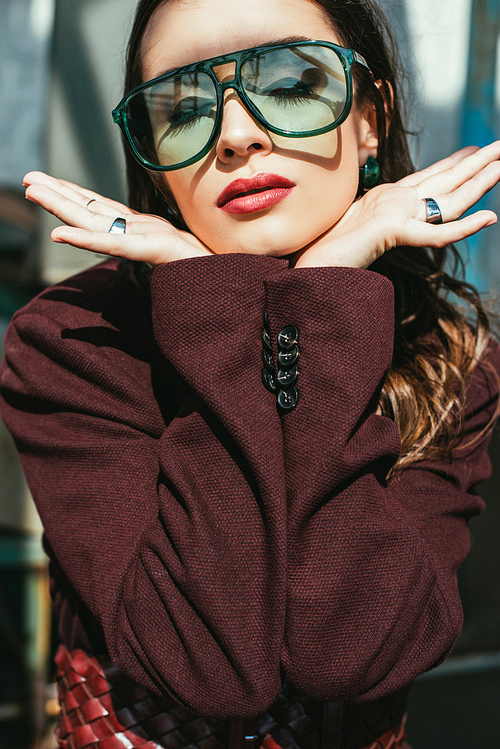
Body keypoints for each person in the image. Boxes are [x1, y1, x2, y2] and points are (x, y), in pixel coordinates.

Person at [1, 0, 500, 747]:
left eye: (294, 85)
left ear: (371, 118)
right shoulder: (73, 340)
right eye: (183, 107)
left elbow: (352, 652)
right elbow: (210, 665)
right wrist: (213, 307)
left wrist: (326, 292)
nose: (235, 136)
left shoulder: (448, 354)